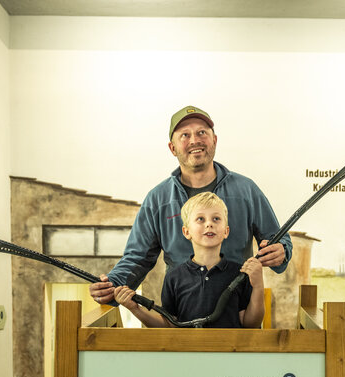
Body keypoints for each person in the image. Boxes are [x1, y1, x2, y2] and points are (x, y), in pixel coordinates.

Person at [88, 105, 292, 305]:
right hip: (181, 313)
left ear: (214, 140)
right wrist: (111, 285)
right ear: (172, 147)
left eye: (202, 132)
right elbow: (137, 259)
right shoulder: (158, 199)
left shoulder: (246, 190)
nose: (195, 140)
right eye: (185, 135)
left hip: (238, 312)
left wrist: (281, 251)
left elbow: (278, 239)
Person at [113, 192, 264, 328]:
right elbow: (170, 324)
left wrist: (258, 285)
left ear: (226, 231)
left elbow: (250, 323)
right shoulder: (174, 277)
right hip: (186, 356)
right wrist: (135, 309)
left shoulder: (240, 274)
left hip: (231, 355)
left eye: (216, 219)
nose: (209, 224)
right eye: (200, 219)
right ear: (186, 232)